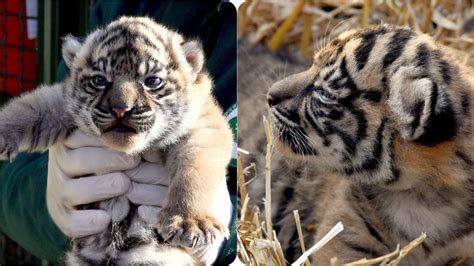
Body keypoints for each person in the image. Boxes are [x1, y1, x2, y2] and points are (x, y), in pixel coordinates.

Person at [0, 1, 237, 264]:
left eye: (152, 82)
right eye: (100, 80)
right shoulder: (118, 5)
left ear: (190, 65)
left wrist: (199, 213)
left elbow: (205, 146)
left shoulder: (199, 107)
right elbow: (45, 109)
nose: (121, 105)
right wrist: (49, 201)